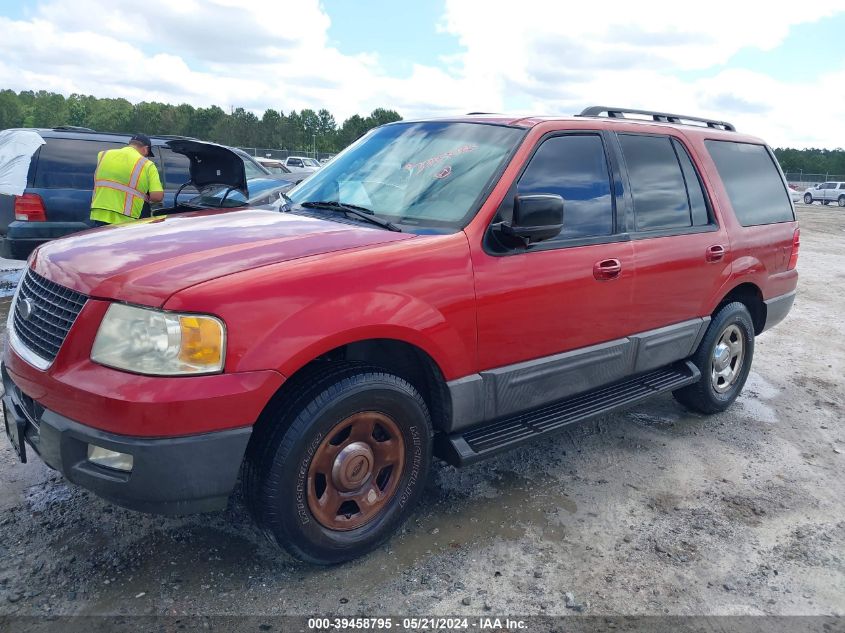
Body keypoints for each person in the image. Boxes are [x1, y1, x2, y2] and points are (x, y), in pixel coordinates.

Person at [89, 134, 164, 226]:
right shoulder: (147, 164)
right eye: (147, 154)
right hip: (127, 216)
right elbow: (157, 196)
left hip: (100, 212)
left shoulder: (103, 155)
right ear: (145, 149)